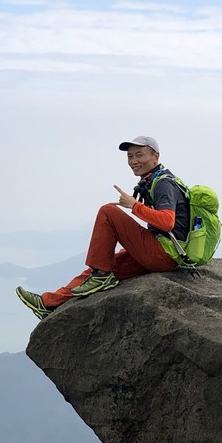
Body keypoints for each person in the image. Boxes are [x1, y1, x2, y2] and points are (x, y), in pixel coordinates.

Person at [16, 135, 189, 320]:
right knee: (102, 267)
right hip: (162, 253)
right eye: (130, 157)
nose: (134, 161)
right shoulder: (153, 180)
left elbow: (167, 222)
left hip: (163, 254)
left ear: (156, 156)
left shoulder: (163, 183)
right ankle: (48, 304)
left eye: (139, 155)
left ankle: (101, 276)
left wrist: (134, 206)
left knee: (108, 212)